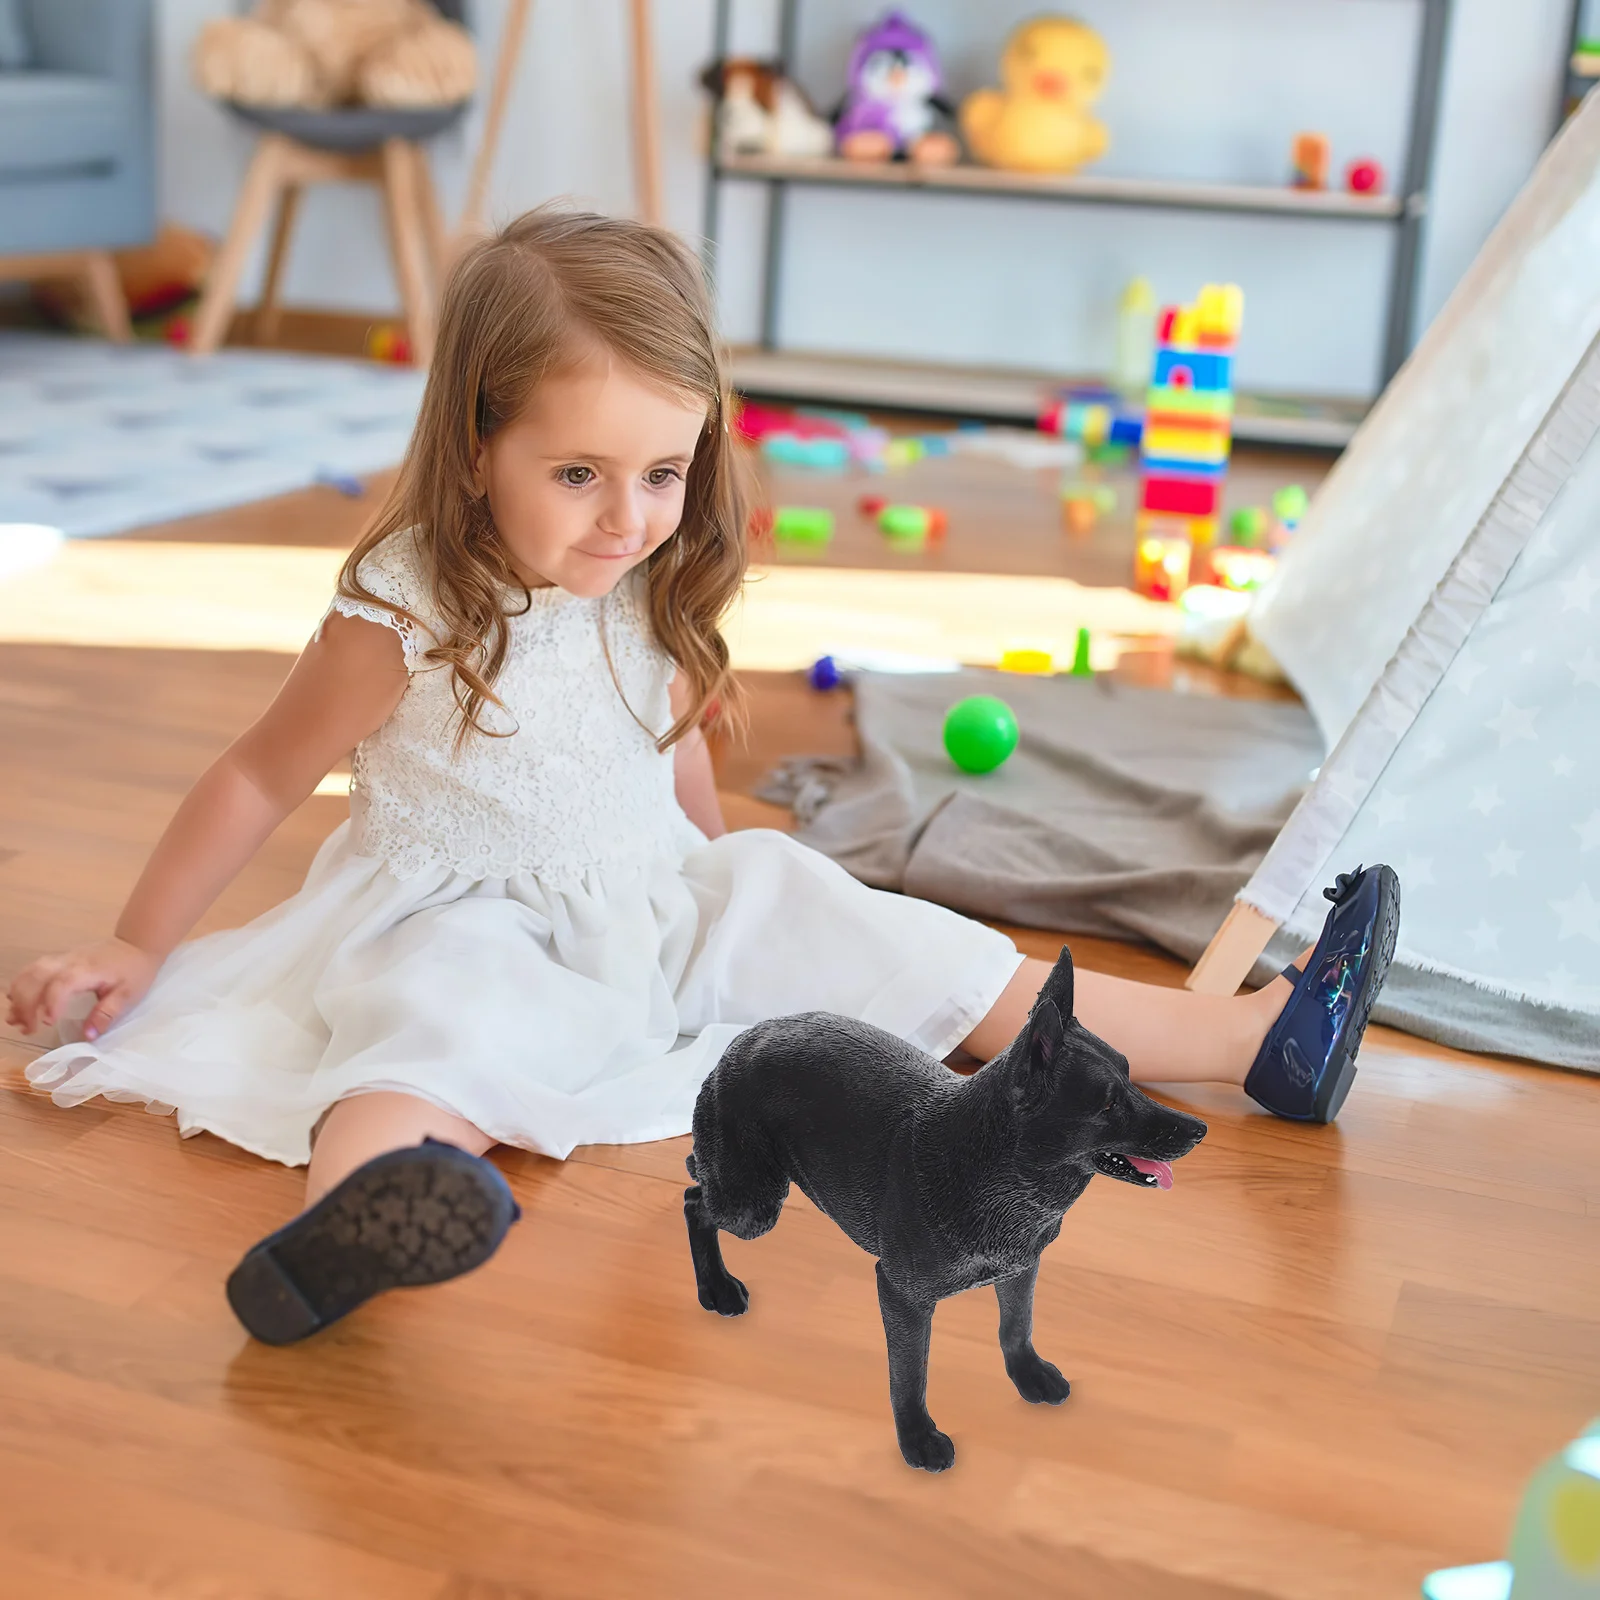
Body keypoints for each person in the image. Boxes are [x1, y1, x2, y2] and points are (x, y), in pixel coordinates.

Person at [5, 208, 1399, 1346]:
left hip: (647, 899)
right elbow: (255, 777)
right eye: (578, 474)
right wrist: (138, 943)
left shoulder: (647, 576)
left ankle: (1246, 1044)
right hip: (455, 912)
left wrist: (736, 873)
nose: (629, 517)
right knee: (431, 1028)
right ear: (476, 441)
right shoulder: (407, 608)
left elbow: (665, 752)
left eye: (664, 472)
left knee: (864, 916)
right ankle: (354, 1223)